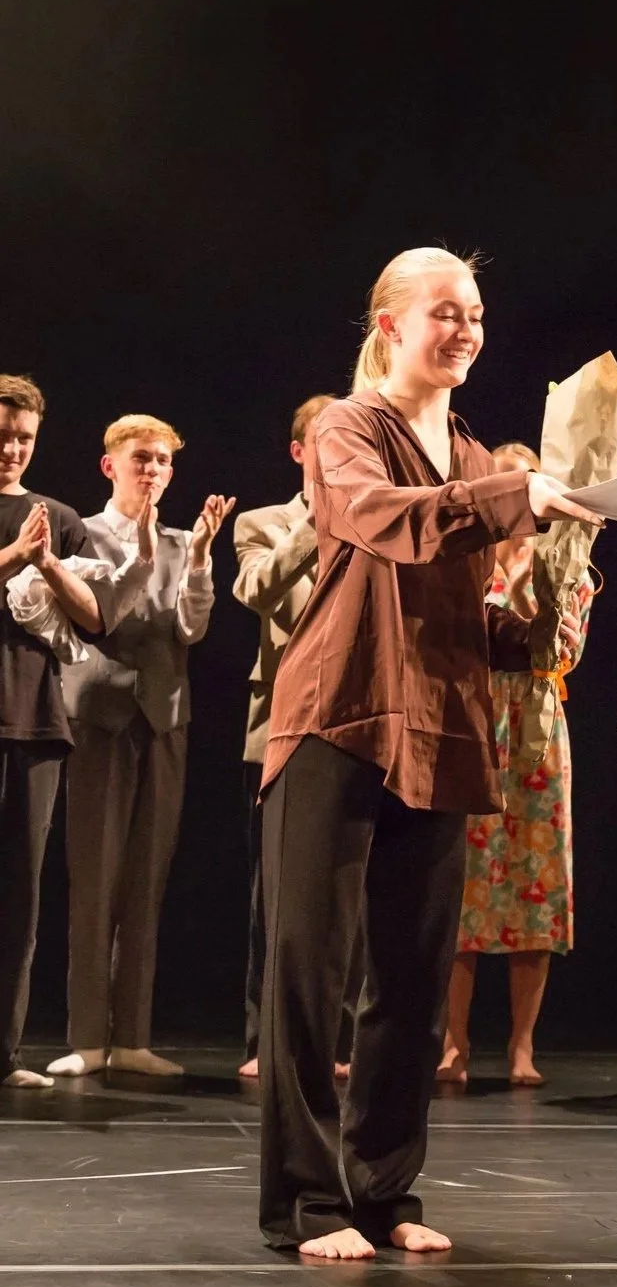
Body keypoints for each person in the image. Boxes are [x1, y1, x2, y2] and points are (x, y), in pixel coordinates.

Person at [257, 246, 600, 1260]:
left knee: (411, 977)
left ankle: (383, 1190)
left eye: (475, 314)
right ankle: (307, 1202)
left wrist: (544, 606)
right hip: (340, 712)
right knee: (310, 970)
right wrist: (515, 500)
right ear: (389, 325)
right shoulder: (349, 427)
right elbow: (377, 521)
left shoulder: (481, 457)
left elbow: (473, 616)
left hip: (441, 725)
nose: (464, 330)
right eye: (444, 311)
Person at [48, 415, 233, 1079]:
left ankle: (132, 1038)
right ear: (111, 466)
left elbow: (191, 628)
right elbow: (99, 615)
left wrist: (202, 557)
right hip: (100, 718)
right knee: (93, 878)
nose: (152, 469)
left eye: (161, 461)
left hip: (164, 719)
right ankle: (86, 1037)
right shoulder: (81, 534)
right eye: (141, 458)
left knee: (146, 881)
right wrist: (143, 555)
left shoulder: (185, 543)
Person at [438, 442, 595, 1088]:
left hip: (534, 725)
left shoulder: (567, 563)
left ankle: (522, 1045)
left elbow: (566, 652)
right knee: (463, 889)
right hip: (471, 720)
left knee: (536, 884)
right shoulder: (464, 558)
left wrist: (537, 591)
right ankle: (453, 1043)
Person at [233, 393, 358, 1082]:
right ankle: (267, 1037)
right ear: (299, 452)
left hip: (358, 721)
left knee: (351, 892)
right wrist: (320, 517)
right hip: (283, 727)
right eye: (326, 442)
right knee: (276, 895)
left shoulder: (372, 515)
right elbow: (263, 593)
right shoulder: (262, 523)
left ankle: (341, 1040)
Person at [0, 375, 105, 1088]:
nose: (13, 448)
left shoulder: (57, 519)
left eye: (24, 438)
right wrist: (14, 556)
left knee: (19, 896)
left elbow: (95, 618)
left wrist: (46, 563)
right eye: (3, 435)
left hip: (34, 722)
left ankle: (2, 1054)